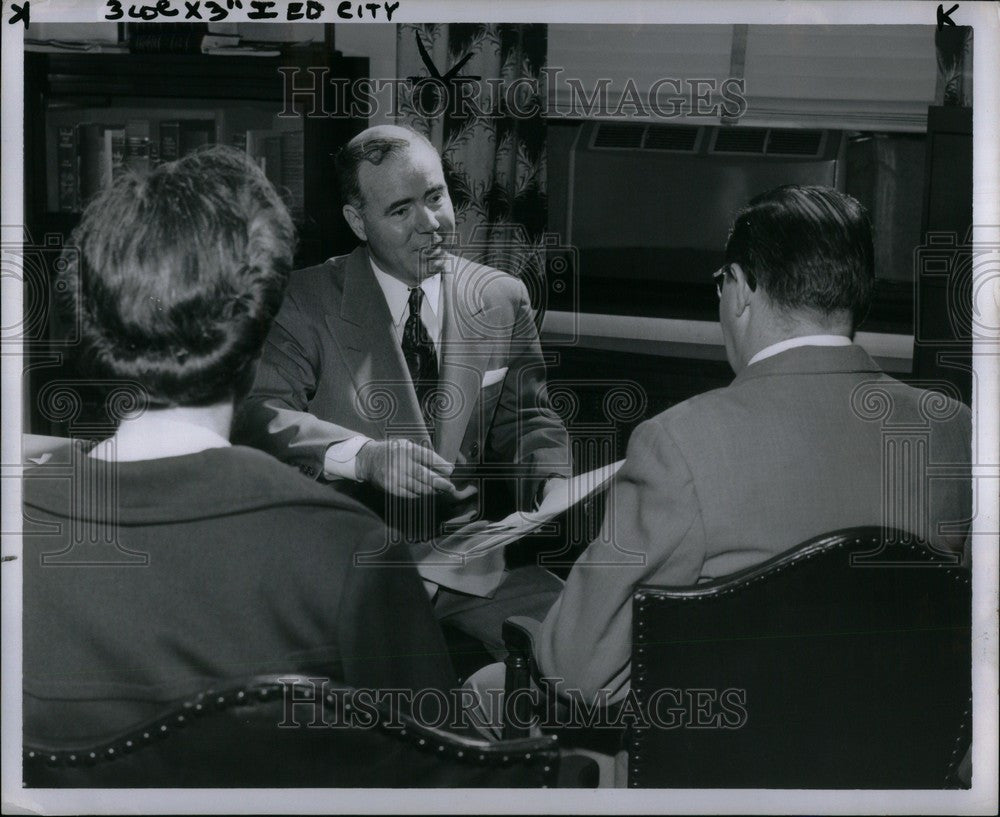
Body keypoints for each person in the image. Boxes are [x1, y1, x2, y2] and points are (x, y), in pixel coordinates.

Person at [471, 184, 972, 717]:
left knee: (484, 691)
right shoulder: (955, 431)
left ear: (739, 290)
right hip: (895, 763)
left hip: (716, 773)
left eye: (720, 283)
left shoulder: (676, 443)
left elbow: (574, 671)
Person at [22, 146, 456, 745]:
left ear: (94, 328)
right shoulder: (352, 551)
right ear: (257, 339)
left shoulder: (21, 522)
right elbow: (432, 777)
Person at [234, 125, 571, 654]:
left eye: (436, 197)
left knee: (589, 642)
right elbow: (260, 412)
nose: (431, 224)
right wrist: (364, 458)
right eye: (400, 210)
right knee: (389, 695)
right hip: (350, 565)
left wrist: (554, 483)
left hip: (468, 559)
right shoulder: (302, 301)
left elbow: (528, 420)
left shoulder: (501, 298)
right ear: (357, 221)